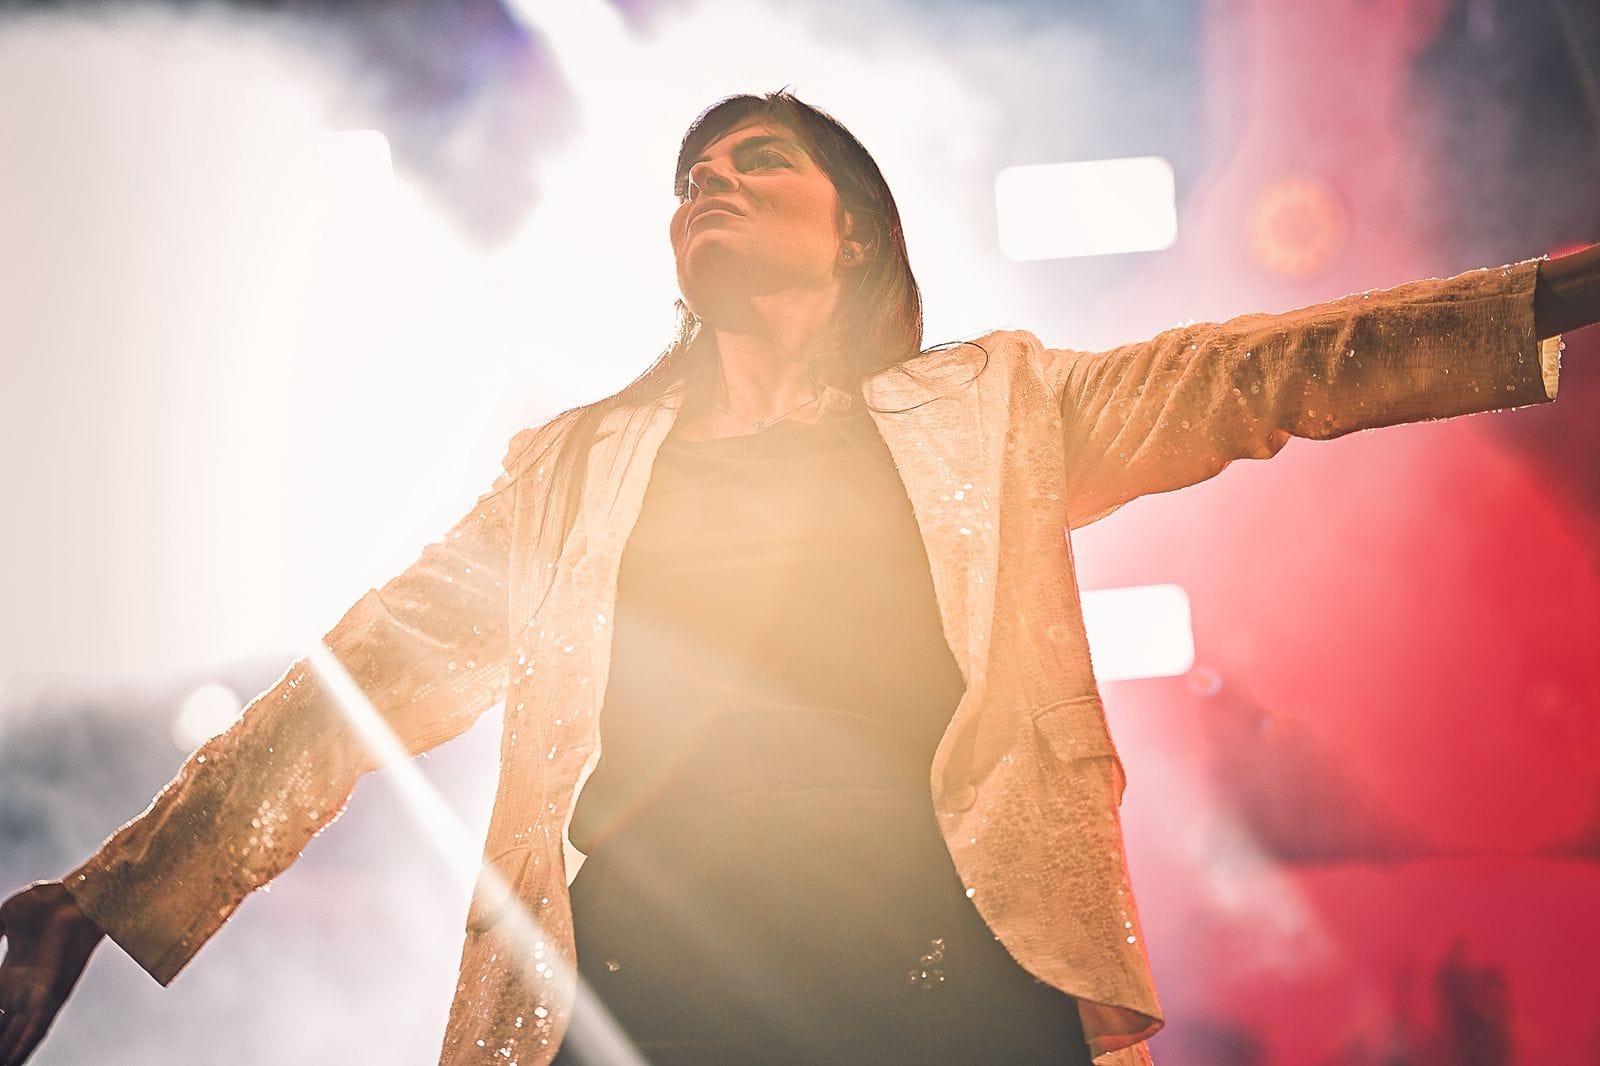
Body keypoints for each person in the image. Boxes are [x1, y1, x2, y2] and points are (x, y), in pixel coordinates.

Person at [1, 90, 1596, 1066]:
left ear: (853, 239)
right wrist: (103, 893)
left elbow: (1264, 371)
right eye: (689, 173)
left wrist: (1546, 297)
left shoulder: (997, 409)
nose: (704, 182)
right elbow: (354, 682)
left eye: (755, 161)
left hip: (936, 991)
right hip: (653, 998)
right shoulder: (568, 471)